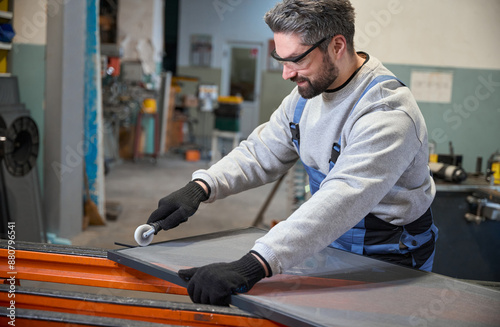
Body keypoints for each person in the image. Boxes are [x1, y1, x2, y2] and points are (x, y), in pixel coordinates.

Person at [146, 0, 437, 306]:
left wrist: (253, 265)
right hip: (329, 240)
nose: (286, 74)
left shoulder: (387, 113)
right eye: (280, 59)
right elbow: (261, 151)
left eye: (296, 59)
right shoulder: (305, 96)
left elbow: (341, 200)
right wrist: (202, 187)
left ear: (337, 45)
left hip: (391, 253)